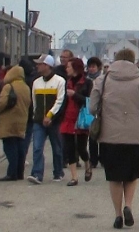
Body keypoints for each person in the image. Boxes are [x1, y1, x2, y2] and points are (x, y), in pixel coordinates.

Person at [90, 48, 139, 230]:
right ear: (134, 61)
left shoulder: (101, 81)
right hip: (135, 136)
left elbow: (92, 108)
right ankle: (129, 205)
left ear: (115, 60)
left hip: (109, 137)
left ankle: (118, 215)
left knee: (114, 177)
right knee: (132, 175)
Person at [28, 53, 66, 184]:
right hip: (38, 120)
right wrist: (36, 115)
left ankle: (58, 171)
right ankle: (37, 174)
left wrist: (50, 115)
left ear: (47, 66)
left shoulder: (60, 81)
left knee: (57, 147)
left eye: (40, 64)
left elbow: (60, 101)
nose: (37, 66)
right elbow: (34, 101)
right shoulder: (36, 82)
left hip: (54, 121)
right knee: (37, 147)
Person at [0, 64, 31, 181]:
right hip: (22, 119)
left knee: (10, 147)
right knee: (20, 146)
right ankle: (20, 172)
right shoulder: (26, 87)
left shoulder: (9, 87)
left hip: (8, 120)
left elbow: (1, 103)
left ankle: (12, 173)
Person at [59, 57, 92, 186]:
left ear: (76, 68)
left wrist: (75, 95)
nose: (66, 69)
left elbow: (89, 101)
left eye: (68, 67)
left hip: (81, 118)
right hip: (67, 118)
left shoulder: (87, 83)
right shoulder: (66, 82)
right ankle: (74, 177)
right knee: (69, 148)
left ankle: (87, 163)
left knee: (81, 148)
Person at [85, 57, 103, 175]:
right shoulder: (86, 79)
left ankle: (102, 157)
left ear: (98, 67)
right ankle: (93, 159)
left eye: (93, 66)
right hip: (87, 108)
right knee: (92, 134)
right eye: (90, 66)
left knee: (101, 134)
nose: (91, 69)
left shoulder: (102, 79)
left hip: (101, 108)